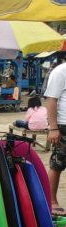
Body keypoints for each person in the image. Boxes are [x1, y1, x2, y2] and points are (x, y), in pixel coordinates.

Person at [45, 62, 66, 215]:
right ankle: (51, 201)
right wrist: (53, 128)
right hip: (63, 124)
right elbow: (51, 100)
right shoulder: (60, 71)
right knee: (58, 162)